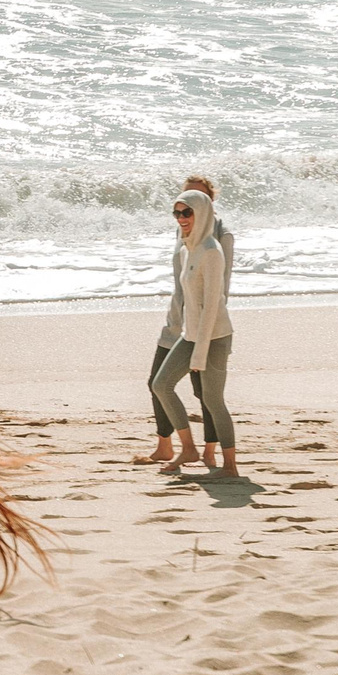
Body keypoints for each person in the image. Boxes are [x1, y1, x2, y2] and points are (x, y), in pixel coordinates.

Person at [136, 174, 236, 464]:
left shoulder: (219, 238)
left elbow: (219, 291)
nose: (182, 215)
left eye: (190, 207)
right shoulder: (183, 236)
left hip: (205, 329)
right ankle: (169, 445)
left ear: (208, 203)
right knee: (158, 383)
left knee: (206, 394)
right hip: (178, 325)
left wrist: (203, 340)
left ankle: (211, 453)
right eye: (178, 209)